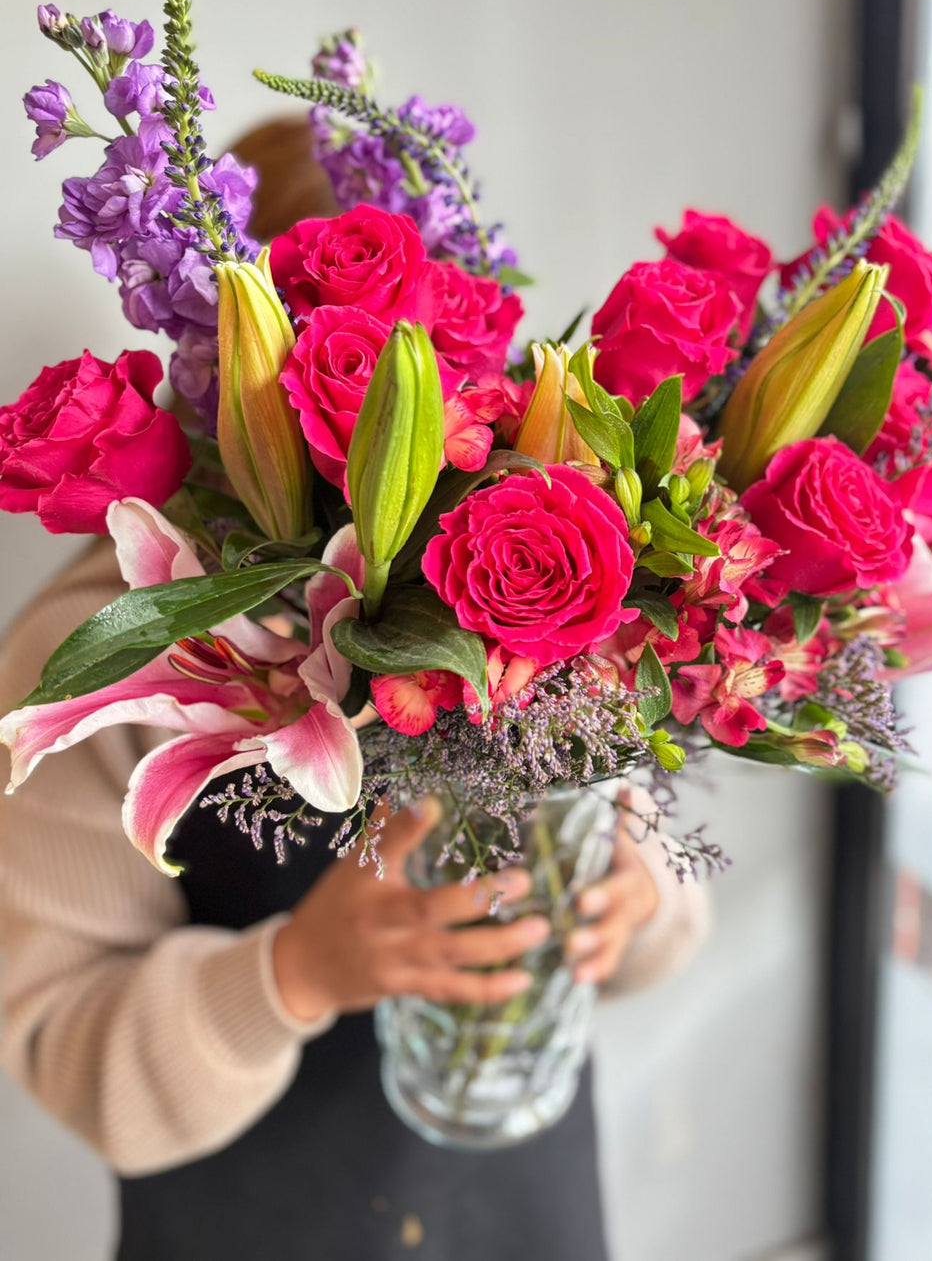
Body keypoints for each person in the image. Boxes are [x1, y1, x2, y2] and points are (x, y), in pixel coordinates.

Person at [0, 121, 710, 1261]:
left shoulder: (521, 561)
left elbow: (646, 877)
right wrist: (291, 972)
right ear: (216, 366)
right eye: (329, 371)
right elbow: (67, 1055)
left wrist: (631, 903)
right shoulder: (86, 648)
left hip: (528, 1199)